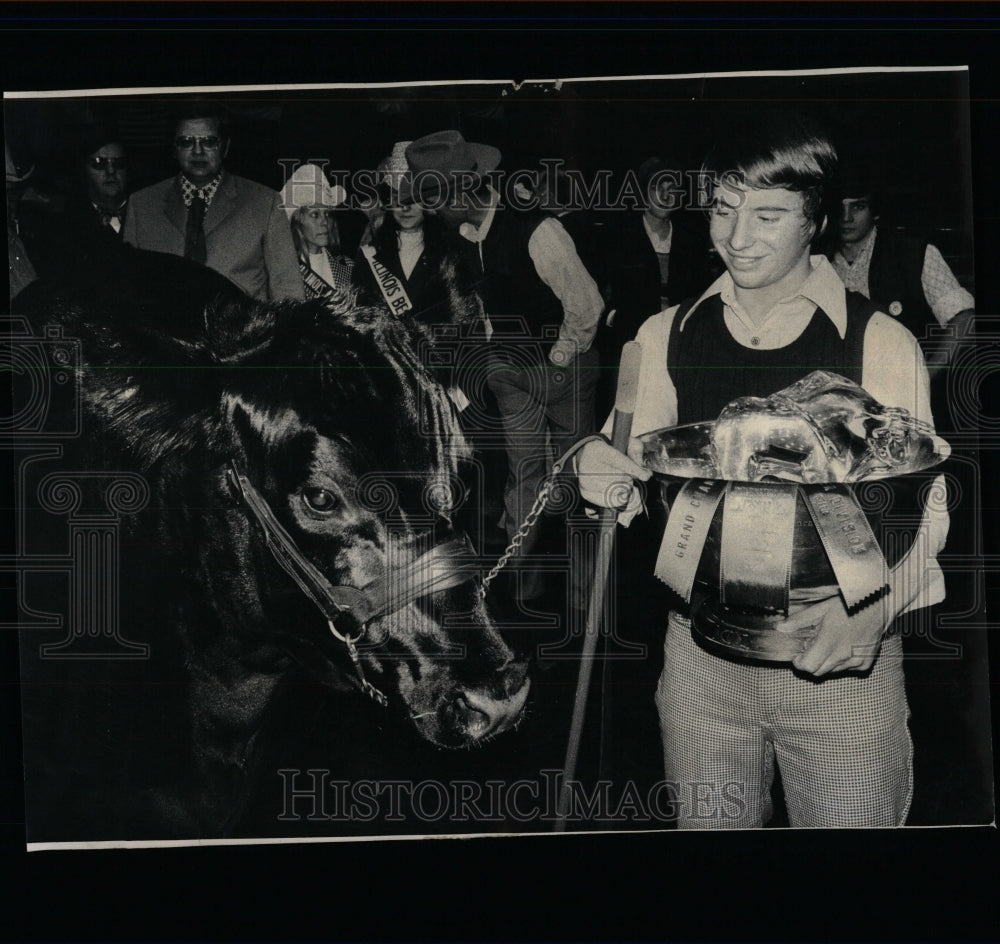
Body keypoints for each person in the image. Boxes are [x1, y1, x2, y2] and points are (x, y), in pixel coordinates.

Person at [576, 112, 948, 828]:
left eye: (768, 215)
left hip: (843, 667)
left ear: (816, 221)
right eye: (723, 209)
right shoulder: (662, 336)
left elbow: (927, 508)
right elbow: (622, 465)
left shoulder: (881, 342)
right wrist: (589, 467)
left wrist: (872, 608)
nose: (736, 238)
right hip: (700, 667)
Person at [405, 130, 605, 601]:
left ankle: (585, 595)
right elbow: (483, 310)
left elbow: (587, 305)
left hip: (566, 369)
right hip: (512, 377)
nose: (431, 211)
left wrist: (555, 357)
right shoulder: (463, 237)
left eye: (435, 199)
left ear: (459, 192)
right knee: (525, 479)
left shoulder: (538, 230)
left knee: (580, 479)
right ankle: (520, 592)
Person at [123, 104, 303, 302]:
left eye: (209, 142)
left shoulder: (264, 202)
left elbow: (288, 291)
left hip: (241, 330)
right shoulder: (141, 205)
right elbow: (128, 291)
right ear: (174, 149)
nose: (198, 152)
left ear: (225, 147)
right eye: (186, 142)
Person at [826, 163, 975, 381]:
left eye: (857, 207)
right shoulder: (816, 259)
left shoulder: (914, 254)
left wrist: (926, 374)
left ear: (875, 211)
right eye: (840, 208)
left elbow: (965, 321)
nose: (846, 218)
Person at [27, 125, 130, 288]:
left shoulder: (145, 212)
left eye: (119, 163)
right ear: (84, 170)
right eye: (99, 163)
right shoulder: (66, 225)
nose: (111, 171)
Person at [277, 162, 354, 302]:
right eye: (315, 215)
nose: (325, 222)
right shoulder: (282, 270)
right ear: (298, 220)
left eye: (327, 214)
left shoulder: (348, 265)